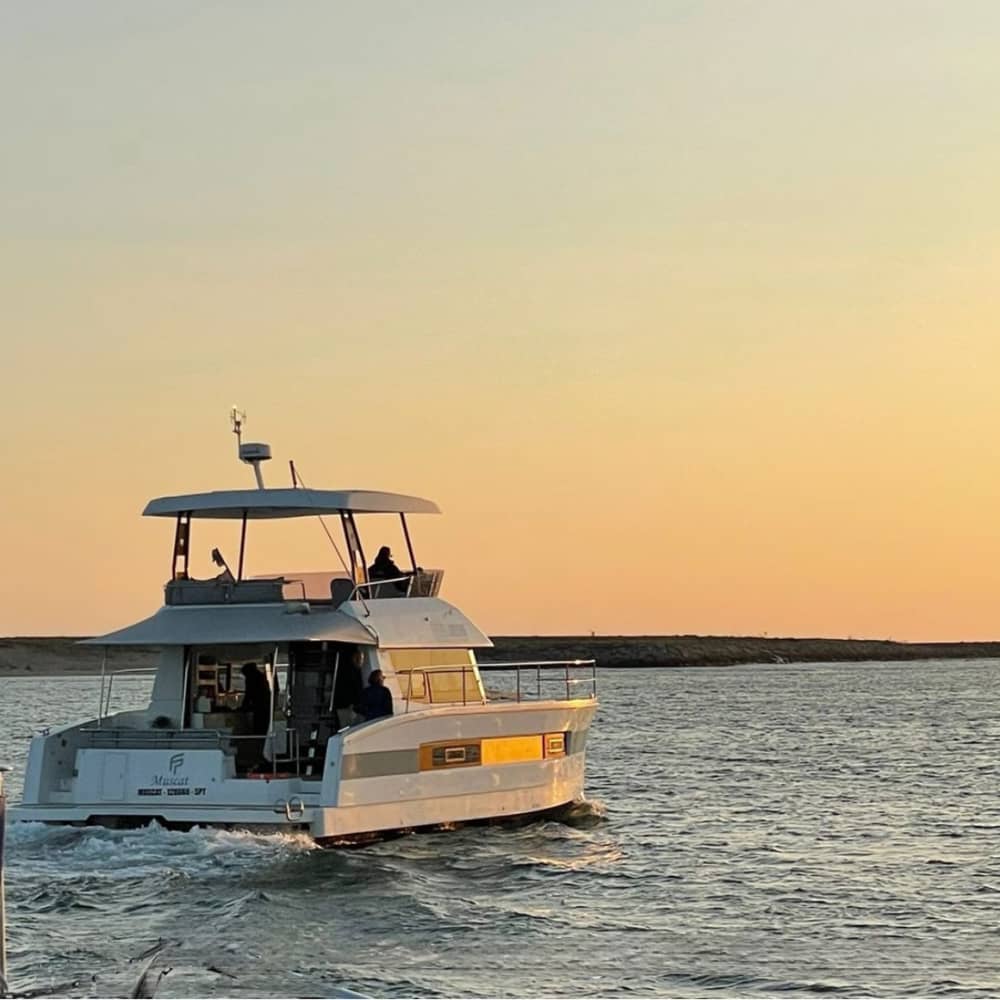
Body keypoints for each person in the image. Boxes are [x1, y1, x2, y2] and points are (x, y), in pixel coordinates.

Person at [240, 663, 272, 736]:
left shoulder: (251, 678)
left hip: (259, 705)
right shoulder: (261, 676)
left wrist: (244, 706)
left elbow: (248, 694)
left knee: (258, 724)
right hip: (265, 704)